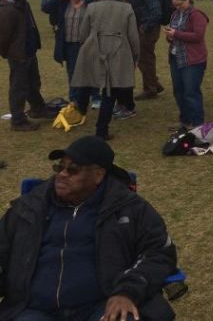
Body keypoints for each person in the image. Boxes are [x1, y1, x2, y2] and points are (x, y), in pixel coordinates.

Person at [0, 135, 178, 320]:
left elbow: (159, 253)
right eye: (59, 167)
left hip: (102, 306)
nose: (62, 174)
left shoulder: (129, 208)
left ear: (98, 175)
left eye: (73, 170)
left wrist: (127, 292)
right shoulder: (29, 208)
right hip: (33, 309)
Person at [70, 0, 140, 140]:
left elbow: (83, 32)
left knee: (88, 82)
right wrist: (136, 55)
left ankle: (80, 110)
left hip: (93, 48)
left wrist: (86, 45)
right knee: (110, 91)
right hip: (118, 51)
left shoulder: (92, 7)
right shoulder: (126, 7)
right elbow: (133, 36)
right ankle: (101, 129)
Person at [0, 0, 48, 131]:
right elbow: (3, 36)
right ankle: (18, 120)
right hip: (19, 54)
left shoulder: (22, 4)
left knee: (33, 82)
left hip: (29, 51)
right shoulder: (8, 8)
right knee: (19, 87)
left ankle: (38, 108)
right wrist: (11, 53)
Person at [41, 0, 100, 106]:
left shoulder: (90, 3)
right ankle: (74, 98)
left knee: (91, 70)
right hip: (69, 44)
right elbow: (45, 8)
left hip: (87, 43)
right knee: (73, 71)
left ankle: (95, 96)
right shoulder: (62, 3)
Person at [165, 0, 209, 131]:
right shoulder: (175, 14)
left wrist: (176, 34)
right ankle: (185, 120)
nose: (178, 7)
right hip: (176, 56)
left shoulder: (197, 15)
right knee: (178, 91)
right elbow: (173, 34)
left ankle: (197, 123)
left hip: (193, 60)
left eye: (180, 4)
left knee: (191, 91)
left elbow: (197, 36)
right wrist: (169, 36)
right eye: (175, 5)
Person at [133, 0, 165, 100]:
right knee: (147, 58)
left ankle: (150, 89)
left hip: (148, 29)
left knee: (145, 59)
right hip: (148, 27)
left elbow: (156, 12)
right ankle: (154, 84)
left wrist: (145, 27)